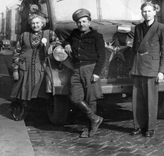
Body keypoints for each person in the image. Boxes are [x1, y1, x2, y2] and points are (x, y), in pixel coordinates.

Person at [130, 1, 164, 137]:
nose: (146, 14)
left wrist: (161, 71)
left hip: (152, 68)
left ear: (155, 12)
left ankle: (150, 128)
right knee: (137, 99)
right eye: (144, 11)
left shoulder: (162, 28)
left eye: (148, 11)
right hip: (138, 66)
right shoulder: (138, 28)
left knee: (151, 99)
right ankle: (137, 126)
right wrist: (132, 67)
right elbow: (135, 48)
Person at [63, 8, 105, 138]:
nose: (82, 24)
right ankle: (95, 118)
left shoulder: (97, 36)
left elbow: (102, 56)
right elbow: (66, 40)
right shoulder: (75, 34)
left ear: (89, 22)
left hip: (90, 69)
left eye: (84, 21)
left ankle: (90, 128)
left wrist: (97, 73)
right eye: (79, 22)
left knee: (91, 99)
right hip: (77, 69)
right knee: (75, 97)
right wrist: (66, 44)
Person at [10, 13, 61, 121]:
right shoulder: (24, 35)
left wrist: (52, 46)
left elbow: (58, 43)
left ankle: (40, 114)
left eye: (37, 23)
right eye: (33, 23)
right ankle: (22, 110)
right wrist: (15, 69)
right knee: (23, 90)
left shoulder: (49, 33)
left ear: (42, 23)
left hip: (41, 66)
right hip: (25, 67)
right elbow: (16, 52)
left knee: (41, 90)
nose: (35, 25)